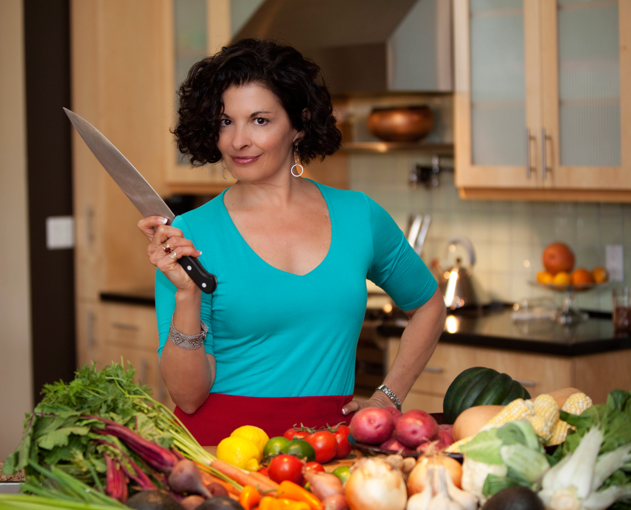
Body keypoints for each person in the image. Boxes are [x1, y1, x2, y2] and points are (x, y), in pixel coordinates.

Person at [138, 38, 446, 445]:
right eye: (226, 121)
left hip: (331, 447)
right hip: (223, 454)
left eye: (260, 120)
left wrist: (388, 397)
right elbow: (188, 397)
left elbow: (428, 305)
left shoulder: (359, 215)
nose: (237, 140)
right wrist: (186, 297)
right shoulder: (187, 238)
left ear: (298, 124)